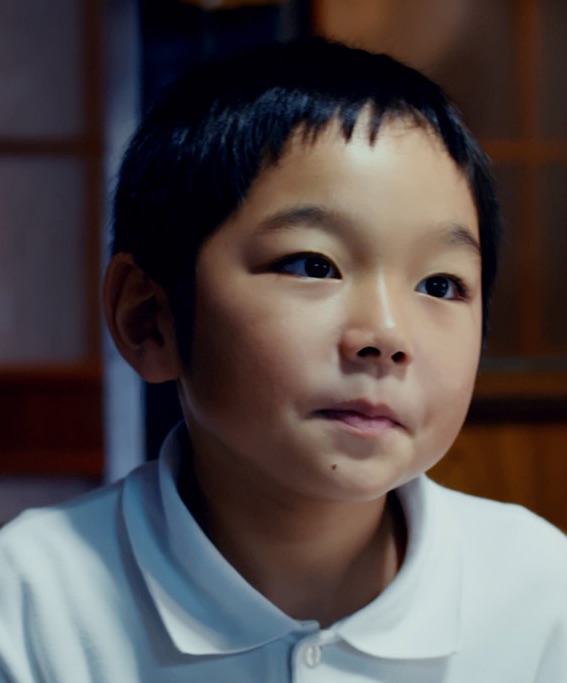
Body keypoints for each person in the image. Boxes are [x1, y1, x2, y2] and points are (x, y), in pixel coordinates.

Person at [0, 37, 565, 682]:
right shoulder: (30, 603)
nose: (387, 333)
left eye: (439, 284)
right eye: (312, 266)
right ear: (149, 319)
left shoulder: (537, 592)